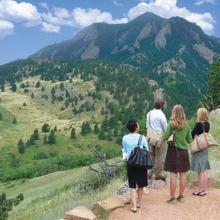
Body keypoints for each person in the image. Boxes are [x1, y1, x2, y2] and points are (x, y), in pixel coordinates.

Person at [164, 105, 192, 204]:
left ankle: (172, 198)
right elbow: (189, 140)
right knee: (183, 174)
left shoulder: (171, 124)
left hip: (173, 151)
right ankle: (181, 196)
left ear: (173, 112)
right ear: (182, 112)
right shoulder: (187, 125)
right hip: (184, 152)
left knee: (173, 174)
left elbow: (165, 136)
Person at [122, 119, 149, 213]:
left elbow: (125, 150)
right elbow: (147, 150)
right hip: (141, 163)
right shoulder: (142, 137)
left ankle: (133, 206)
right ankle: (138, 203)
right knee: (141, 184)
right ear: (136, 127)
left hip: (130, 163)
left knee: (132, 185)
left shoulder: (124, 138)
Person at [146, 98, 167, 181]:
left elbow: (147, 126)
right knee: (159, 156)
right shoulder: (161, 115)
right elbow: (165, 128)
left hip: (150, 137)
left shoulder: (149, 113)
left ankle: (149, 173)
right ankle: (157, 174)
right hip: (159, 137)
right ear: (162, 105)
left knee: (152, 155)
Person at [191, 107, 210, 196]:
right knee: (204, 169)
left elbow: (193, 133)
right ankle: (203, 189)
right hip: (205, 147)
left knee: (200, 170)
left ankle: (199, 190)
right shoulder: (207, 124)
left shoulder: (198, 124)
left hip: (199, 148)